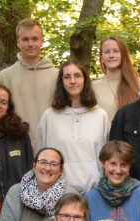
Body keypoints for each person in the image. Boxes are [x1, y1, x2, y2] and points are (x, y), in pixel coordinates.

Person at [36, 60, 109, 195]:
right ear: (61, 82)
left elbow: (106, 158)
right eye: (67, 77)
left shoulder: (100, 116)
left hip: (93, 192)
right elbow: (39, 157)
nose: (72, 81)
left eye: (77, 76)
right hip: (57, 193)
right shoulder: (49, 116)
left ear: (85, 80)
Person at [0, 19, 59, 141]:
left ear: (42, 42)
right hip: (15, 142)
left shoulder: (58, 76)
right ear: (18, 43)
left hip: (52, 144)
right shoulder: (5, 77)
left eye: (35, 39)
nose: (30, 44)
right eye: (25, 39)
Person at [0, 147, 69, 221]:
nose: (47, 168)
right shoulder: (16, 191)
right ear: (34, 166)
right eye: (43, 162)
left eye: (54, 164)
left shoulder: (69, 196)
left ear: (61, 171)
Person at [85, 141, 140, 221]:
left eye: (123, 165)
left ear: (129, 166)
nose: (118, 170)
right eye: (113, 164)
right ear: (103, 163)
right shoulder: (90, 198)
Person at [91, 36, 140, 122]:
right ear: (101, 58)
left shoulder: (138, 84)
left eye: (116, 51)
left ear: (123, 55)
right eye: (107, 52)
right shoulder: (92, 87)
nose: (111, 55)